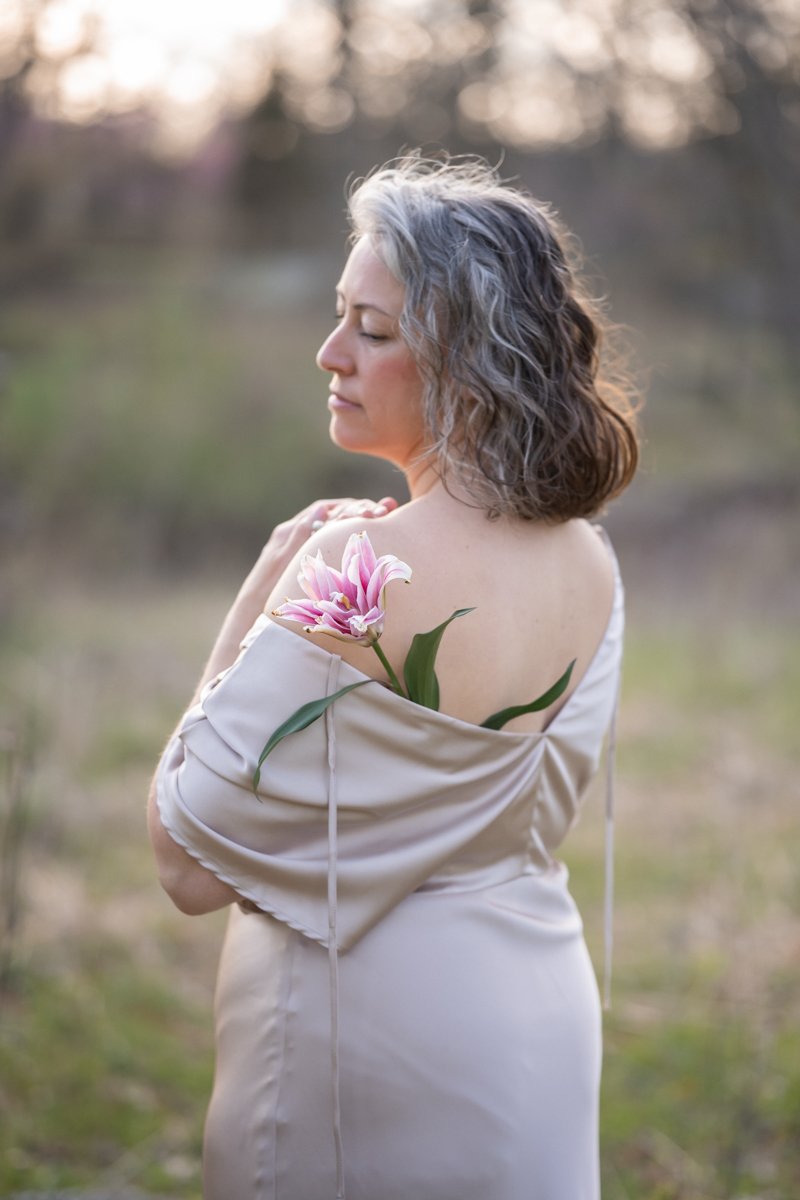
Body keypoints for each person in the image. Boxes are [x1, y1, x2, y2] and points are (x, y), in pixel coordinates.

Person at [148, 153, 639, 1200]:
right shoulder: (589, 560)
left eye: (372, 331)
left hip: (361, 1042)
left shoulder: (353, 568)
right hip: (534, 1018)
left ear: (470, 360)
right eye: (339, 318)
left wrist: (262, 588)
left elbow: (186, 863)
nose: (330, 354)